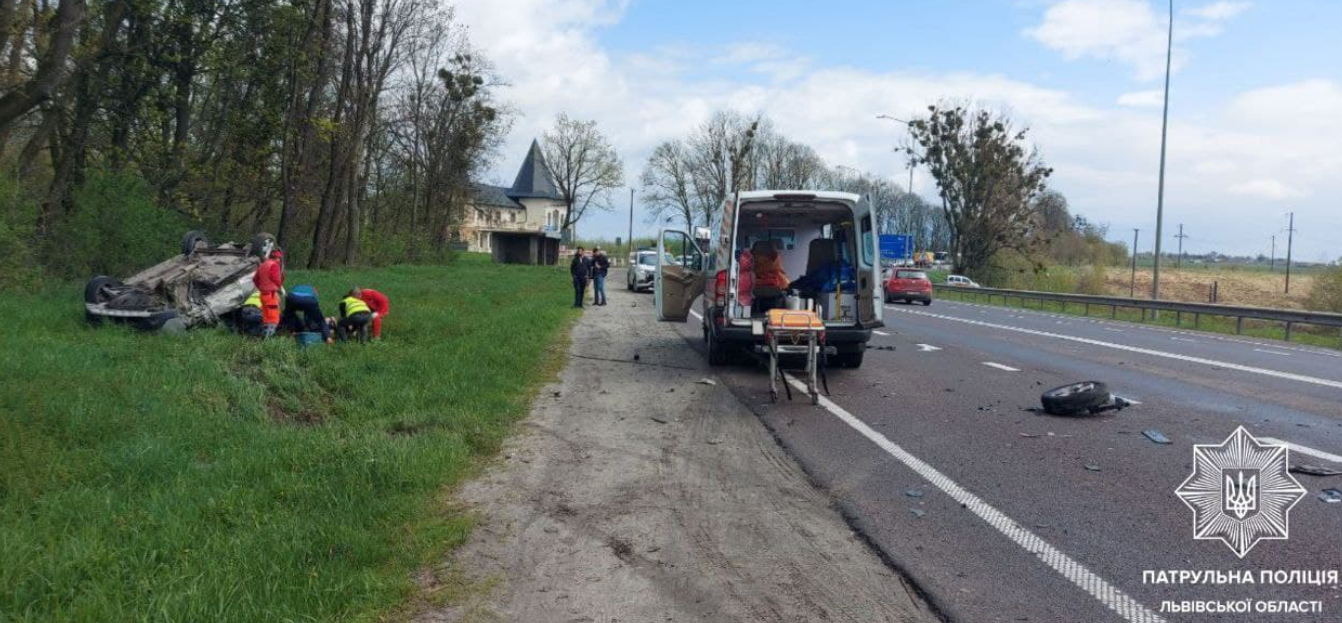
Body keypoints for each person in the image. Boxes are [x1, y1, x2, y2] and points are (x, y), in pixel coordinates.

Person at [253, 249, 285, 337]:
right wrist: (280, 287)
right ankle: (268, 340)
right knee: (273, 319)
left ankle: (263, 337)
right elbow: (277, 280)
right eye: (279, 259)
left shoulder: (262, 265)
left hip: (263, 295)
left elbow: (255, 279)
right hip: (271, 295)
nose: (279, 261)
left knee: (266, 319)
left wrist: (261, 287)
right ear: (277, 258)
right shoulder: (274, 266)